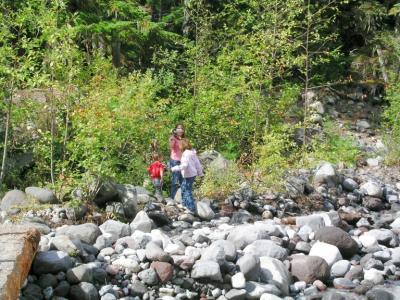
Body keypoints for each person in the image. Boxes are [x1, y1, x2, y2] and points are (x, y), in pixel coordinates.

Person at [171, 139, 203, 213]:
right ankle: (184, 204)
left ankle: (191, 208)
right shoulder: (192, 152)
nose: (179, 146)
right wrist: (200, 174)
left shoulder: (186, 154)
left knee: (187, 190)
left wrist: (173, 168)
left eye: (179, 145)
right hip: (191, 174)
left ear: (182, 145)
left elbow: (184, 165)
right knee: (183, 187)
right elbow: (197, 164)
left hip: (188, 175)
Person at [169, 124, 185, 199]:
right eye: (178, 128)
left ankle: (183, 198)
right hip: (175, 160)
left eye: (181, 128)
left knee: (183, 179)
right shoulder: (173, 138)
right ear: (176, 130)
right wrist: (172, 136)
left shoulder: (183, 138)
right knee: (175, 180)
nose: (180, 130)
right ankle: (172, 198)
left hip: (183, 161)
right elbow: (171, 146)